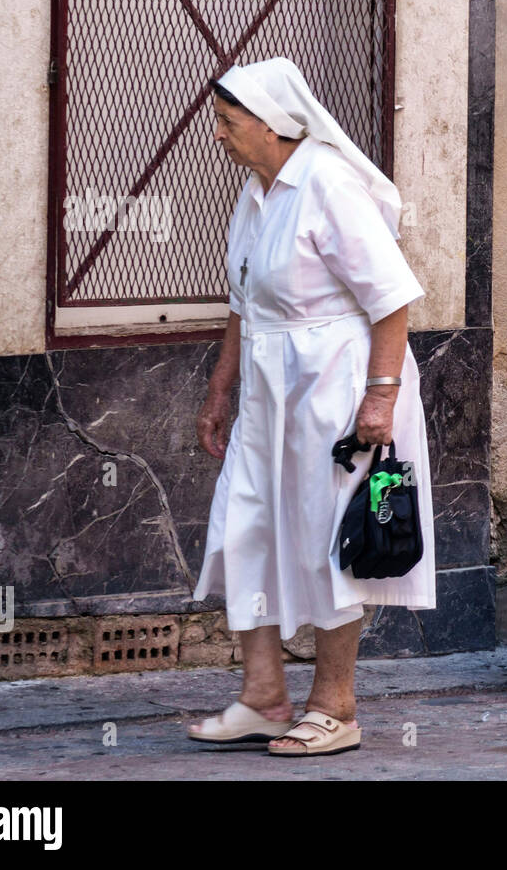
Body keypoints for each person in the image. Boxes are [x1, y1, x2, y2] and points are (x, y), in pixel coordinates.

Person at [185, 57, 435, 756]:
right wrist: (220, 387)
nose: (219, 135)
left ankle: (337, 707)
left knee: (330, 540)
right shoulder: (255, 191)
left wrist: (380, 399)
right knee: (244, 528)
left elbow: (392, 302)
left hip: (335, 383)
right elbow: (243, 301)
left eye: (229, 122)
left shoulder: (327, 184)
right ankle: (264, 697)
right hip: (269, 386)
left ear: (273, 124)